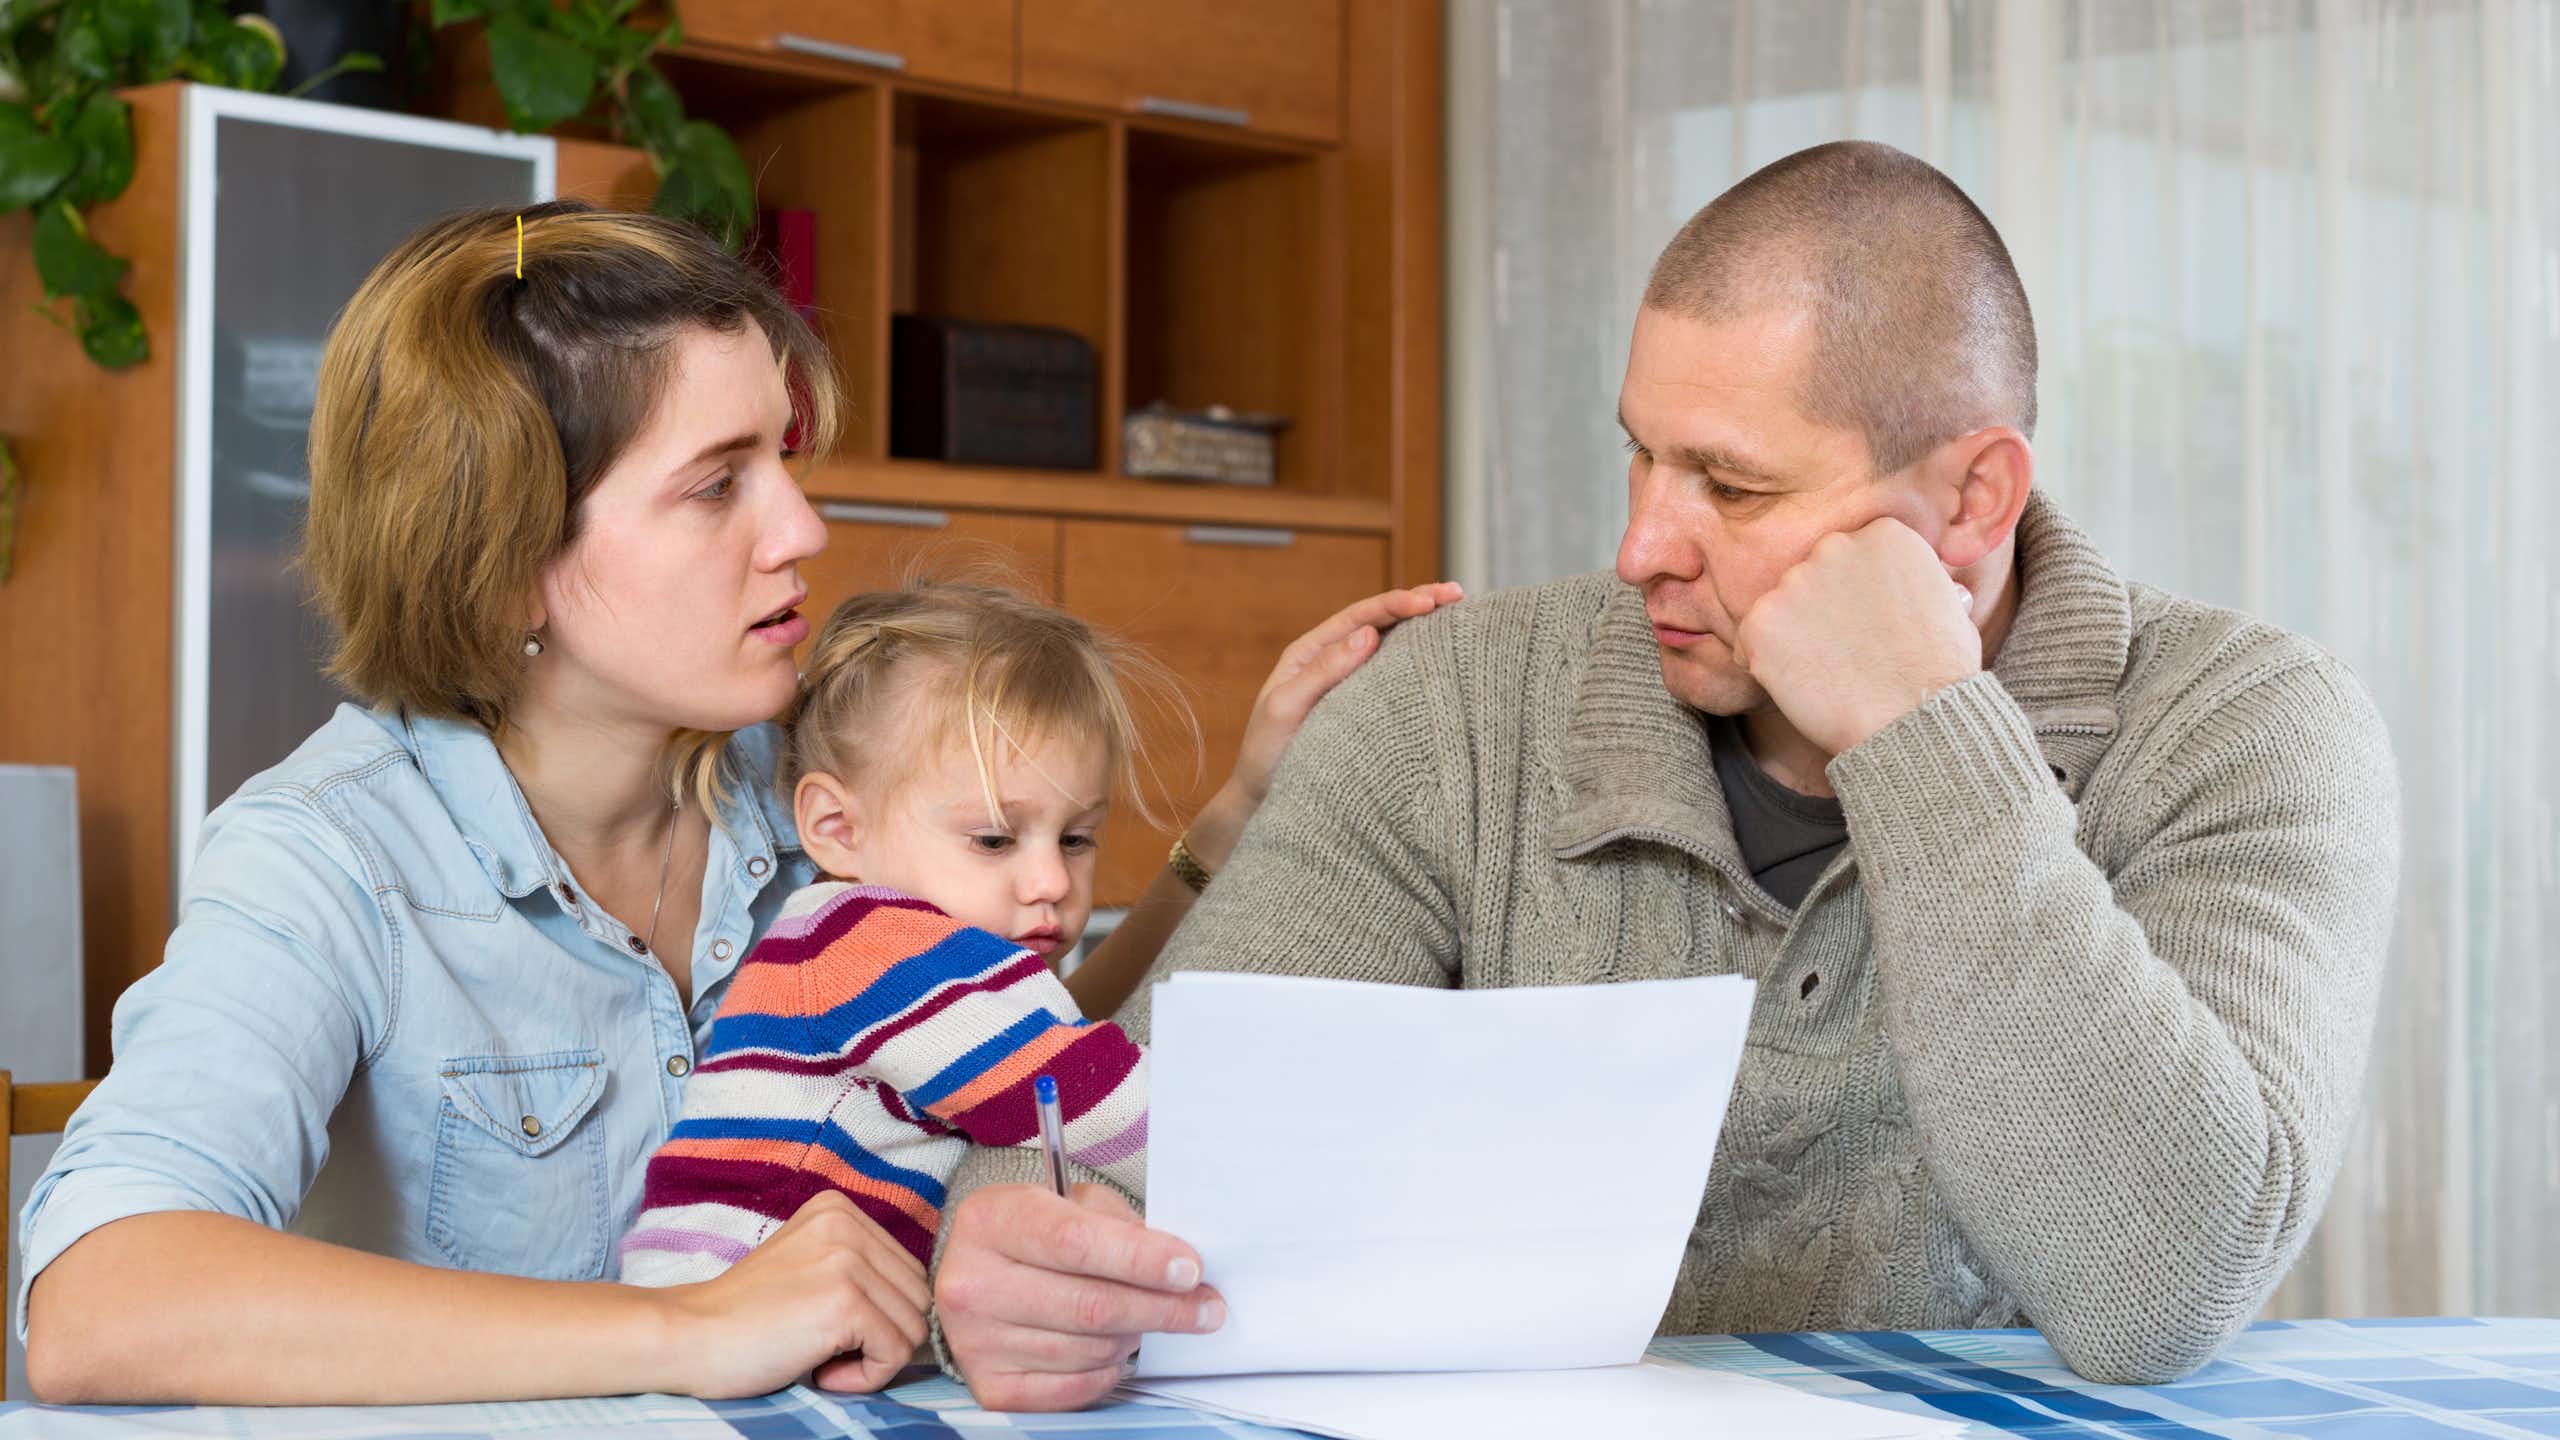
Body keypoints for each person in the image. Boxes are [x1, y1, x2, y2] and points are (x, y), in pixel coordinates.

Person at [927, 140, 2402, 1406]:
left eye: (1734, 486)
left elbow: (2161, 1288)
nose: (1643, 546)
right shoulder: (1456, 703)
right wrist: (1005, 1241)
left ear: (1974, 499)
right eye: (1640, 456)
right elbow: (1127, 1147)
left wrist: (1924, 730)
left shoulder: (2249, 728)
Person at [16, 199, 1458, 1404]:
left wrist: (1227, 826)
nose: (804, 530)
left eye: (785, 458)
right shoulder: (326, 858)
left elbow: (1013, 1017)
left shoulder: (807, 779)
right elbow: (95, 1302)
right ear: (511, 555)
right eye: (719, 485)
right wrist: (691, 1331)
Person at [620, 581, 1156, 1318]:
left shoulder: (895, 940)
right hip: (719, 1314)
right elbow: (1087, 1095)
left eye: (1076, 837)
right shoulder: (872, 943)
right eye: (994, 839)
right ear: (839, 829)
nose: (1052, 880)